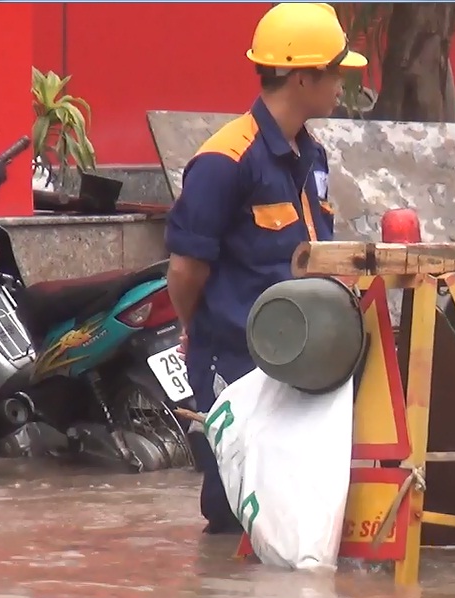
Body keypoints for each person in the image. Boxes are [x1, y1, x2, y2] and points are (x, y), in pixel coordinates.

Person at [164, 3, 367, 534]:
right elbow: (185, 272)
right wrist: (197, 328)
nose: (342, 86)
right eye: (336, 72)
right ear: (303, 77)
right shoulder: (224, 161)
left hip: (307, 358)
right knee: (236, 511)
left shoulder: (313, 156)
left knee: (297, 508)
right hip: (236, 361)